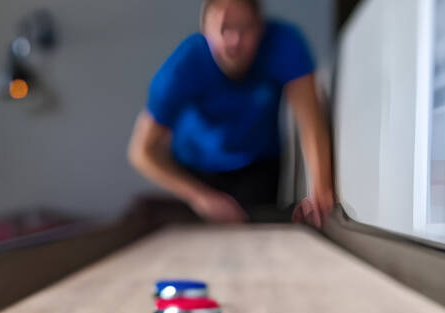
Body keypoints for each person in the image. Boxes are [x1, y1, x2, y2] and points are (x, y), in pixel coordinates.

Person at [127, 0, 334, 227]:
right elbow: (140, 152)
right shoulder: (182, 67)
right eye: (224, 28)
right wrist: (198, 196)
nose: (234, 41)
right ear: (205, 29)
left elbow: (310, 121)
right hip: (195, 170)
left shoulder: (285, 44)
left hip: (258, 165)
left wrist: (320, 189)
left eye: (245, 28)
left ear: (260, 27)